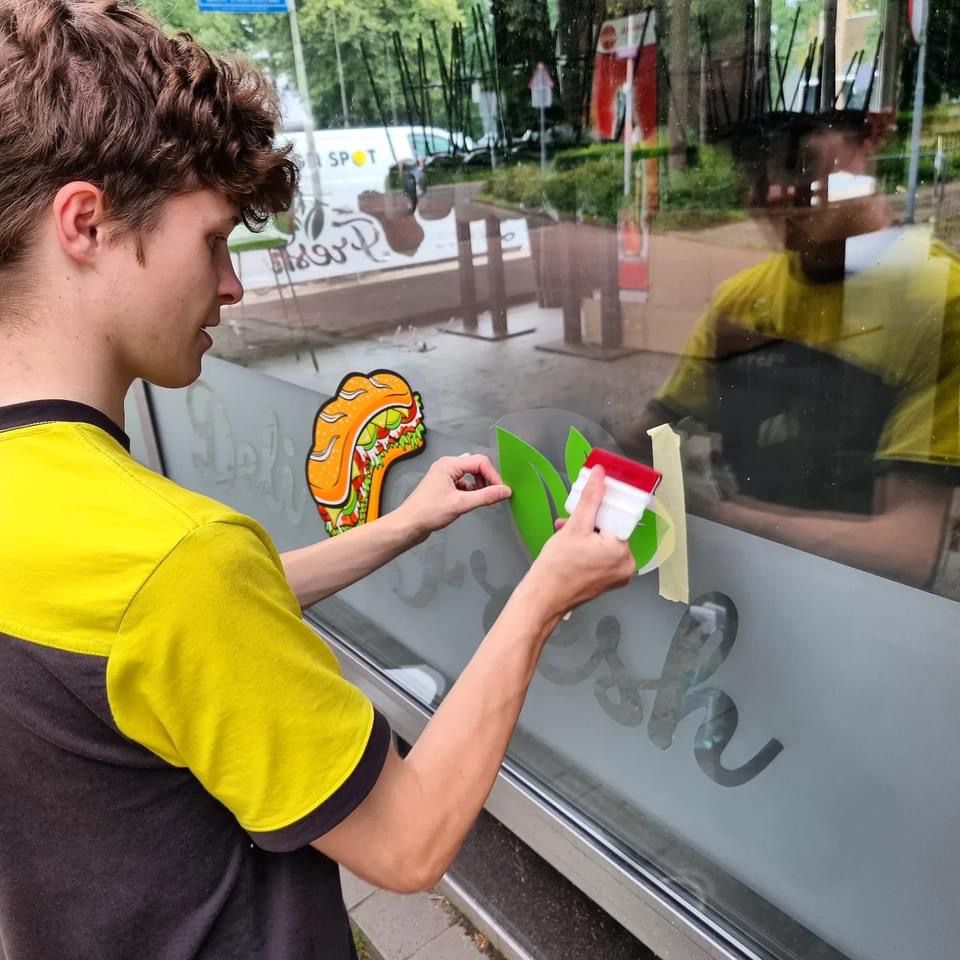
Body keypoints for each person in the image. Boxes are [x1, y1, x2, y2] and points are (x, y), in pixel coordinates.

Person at [0, 3, 636, 959]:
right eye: (213, 239)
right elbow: (409, 838)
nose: (232, 285)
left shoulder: (105, 544)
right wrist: (545, 594)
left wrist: (403, 524)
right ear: (86, 223)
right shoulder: (178, 564)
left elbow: (163, 642)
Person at [624, 112, 960, 593]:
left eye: (800, 163)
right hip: (741, 591)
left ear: (867, 146)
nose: (772, 194)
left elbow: (908, 549)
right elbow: (647, 431)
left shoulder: (940, 302)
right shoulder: (739, 301)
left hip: (867, 606)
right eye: (754, 173)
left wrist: (717, 515)